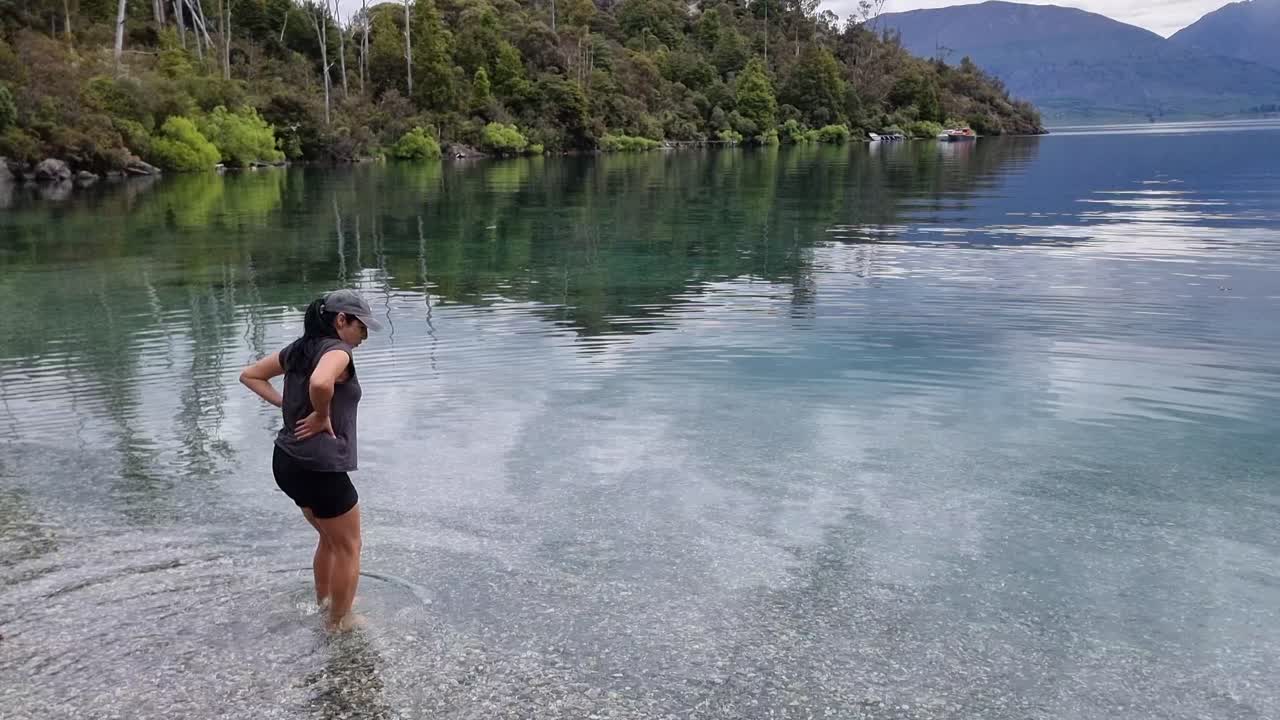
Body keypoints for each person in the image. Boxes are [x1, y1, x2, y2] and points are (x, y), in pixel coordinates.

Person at [239, 289, 381, 631]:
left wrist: (286, 405)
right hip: (319, 467)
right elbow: (320, 381)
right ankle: (339, 623)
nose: (363, 336)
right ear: (341, 320)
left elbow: (250, 375)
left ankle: (327, 602)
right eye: (361, 327)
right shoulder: (338, 351)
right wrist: (318, 414)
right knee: (350, 545)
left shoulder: (299, 349)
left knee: (329, 538)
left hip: (287, 462)